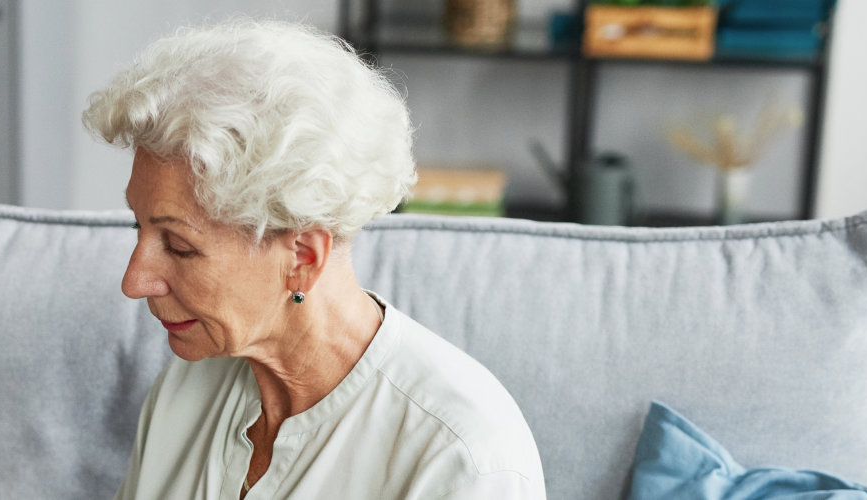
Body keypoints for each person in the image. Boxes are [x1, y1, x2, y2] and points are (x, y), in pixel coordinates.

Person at [84, 20, 546, 499]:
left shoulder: (459, 455)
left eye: (180, 247)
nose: (134, 282)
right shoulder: (184, 392)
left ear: (303, 256)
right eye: (139, 227)